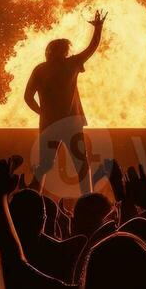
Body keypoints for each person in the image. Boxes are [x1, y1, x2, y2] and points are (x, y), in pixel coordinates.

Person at [25, 11, 105, 193]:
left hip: (49, 123)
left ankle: (31, 199)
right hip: (71, 123)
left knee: (44, 165)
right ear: (65, 52)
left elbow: (27, 97)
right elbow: (92, 48)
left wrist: (42, 112)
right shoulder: (72, 64)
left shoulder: (41, 69)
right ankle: (89, 201)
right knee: (81, 166)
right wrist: (98, 28)